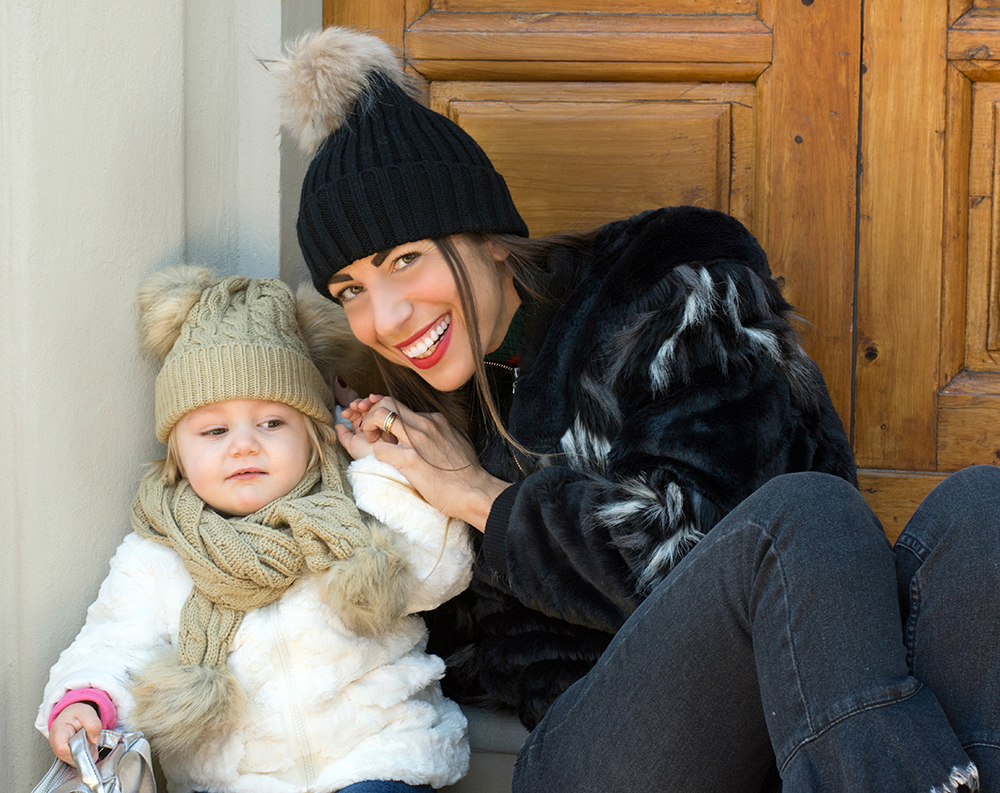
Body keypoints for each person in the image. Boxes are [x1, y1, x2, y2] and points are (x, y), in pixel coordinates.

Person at [275, 27, 999, 792]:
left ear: (486, 236)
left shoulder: (660, 296)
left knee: (980, 509)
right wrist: (374, 492)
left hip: (793, 694)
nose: (385, 317)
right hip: (598, 747)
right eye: (351, 289)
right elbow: (423, 646)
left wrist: (488, 499)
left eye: (405, 260)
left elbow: (703, 547)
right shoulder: (409, 421)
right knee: (808, 513)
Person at [36, 267, 473, 793]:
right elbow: (113, 643)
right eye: (215, 430)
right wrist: (86, 700)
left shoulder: (354, 505)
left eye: (272, 423)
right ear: (177, 453)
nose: (243, 445)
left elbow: (440, 570)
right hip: (242, 781)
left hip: (376, 755)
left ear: (315, 435)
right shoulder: (156, 555)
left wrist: (379, 467)